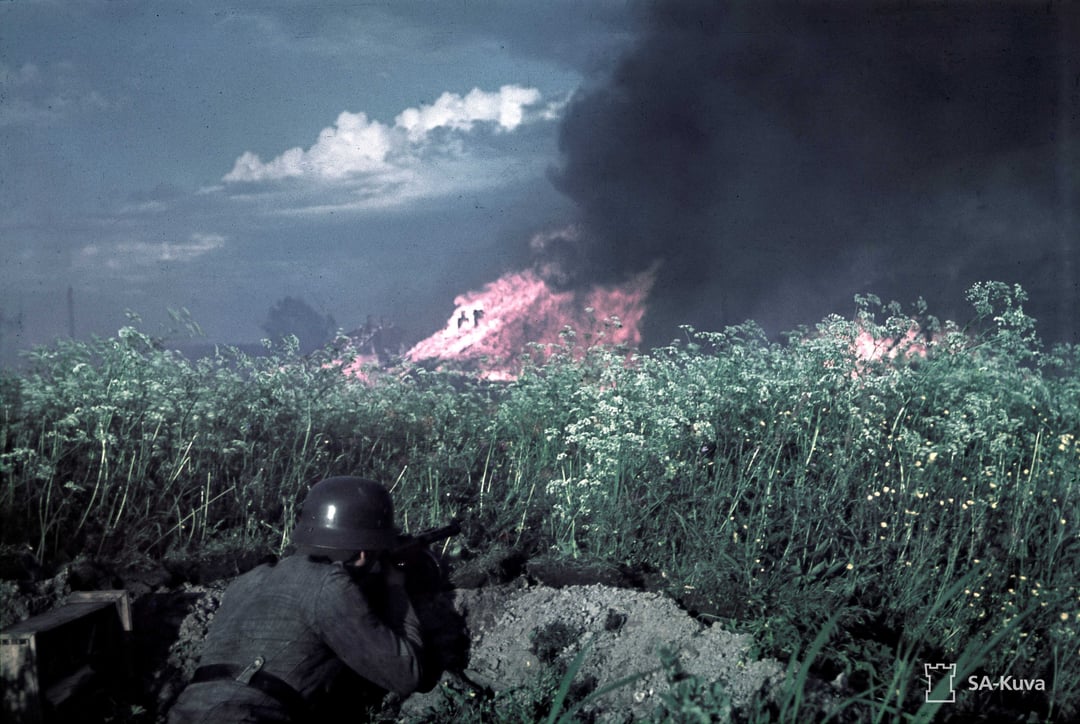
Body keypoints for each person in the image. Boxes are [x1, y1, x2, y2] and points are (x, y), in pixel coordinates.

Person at [168, 476, 426, 723]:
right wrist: (395, 588)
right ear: (362, 554)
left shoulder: (247, 581)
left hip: (183, 713)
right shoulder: (330, 585)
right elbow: (406, 674)